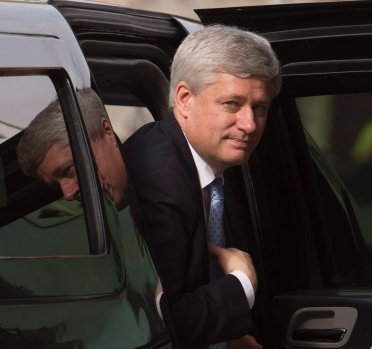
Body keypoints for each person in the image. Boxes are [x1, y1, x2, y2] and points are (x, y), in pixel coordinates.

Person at [121, 25, 281, 349]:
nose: (249, 124)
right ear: (184, 99)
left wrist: (227, 336)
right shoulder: (159, 181)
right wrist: (241, 283)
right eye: (232, 104)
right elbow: (170, 324)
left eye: (259, 107)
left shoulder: (205, 161)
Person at [17, 89, 128, 210]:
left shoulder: (150, 180)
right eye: (57, 186)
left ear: (107, 132)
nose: (68, 195)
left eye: (69, 170)